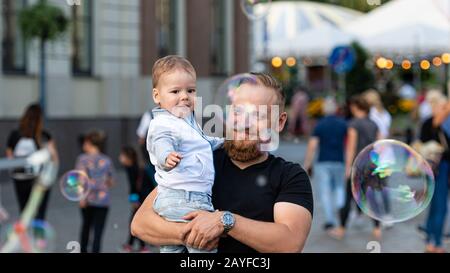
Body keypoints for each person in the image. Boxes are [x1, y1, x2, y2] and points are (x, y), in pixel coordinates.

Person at [131, 72, 313, 253]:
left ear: (279, 122)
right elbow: (140, 223)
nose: (244, 123)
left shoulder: (290, 176)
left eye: (257, 115)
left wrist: (225, 221)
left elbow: (290, 242)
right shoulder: (200, 159)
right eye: (238, 111)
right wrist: (191, 234)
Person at [146, 55, 223, 253]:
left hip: (177, 199)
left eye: (190, 90)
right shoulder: (164, 123)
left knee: (173, 250)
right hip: (186, 200)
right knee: (203, 246)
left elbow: (203, 143)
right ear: (157, 96)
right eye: (175, 91)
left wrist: (224, 143)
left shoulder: (186, 121)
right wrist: (166, 156)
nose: (184, 96)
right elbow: (161, 141)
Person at [331, 96, 382, 240]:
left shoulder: (353, 124)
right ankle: (377, 228)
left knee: (348, 197)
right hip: (371, 164)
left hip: (357, 165)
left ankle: (341, 228)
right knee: (371, 197)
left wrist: (348, 167)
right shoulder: (373, 123)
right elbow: (378, 146)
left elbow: (351, 147)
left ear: (355, 107)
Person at [6, 104, 59, 221]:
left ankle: (25, 238)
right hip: (39, 179)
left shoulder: (15, 135)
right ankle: (38, 238)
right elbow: (54, 158)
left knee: (24, 211)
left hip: (20, 178)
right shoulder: (44, 136)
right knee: (40, 213)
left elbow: (10, 157)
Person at [303, 97, 346, 234]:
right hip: (339, 160)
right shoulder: (343, 124)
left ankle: (330, 220)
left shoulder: (320, 125)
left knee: (326, 192)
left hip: (323, 161)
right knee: (340, 188)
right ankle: (342, 215)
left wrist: (308, 163)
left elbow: (313, 145)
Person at [76, 130, 116, 253]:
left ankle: (83, 250)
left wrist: (81, 198)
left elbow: (79, 180)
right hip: (103, 201)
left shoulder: (82, 159)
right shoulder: (107, 160)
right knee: (98, 232)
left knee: (86, 228)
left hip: (87, 200)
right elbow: (112, 181)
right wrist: (102, 183)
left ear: (89, 143)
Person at [420, 95, 450, 253]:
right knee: (440, 207)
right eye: (445, 107)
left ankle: (430, 240)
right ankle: (435, 243)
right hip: (441, 169)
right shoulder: (440, 124)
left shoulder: (429, 123)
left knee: (434, 207)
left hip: (431, 169)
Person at [118, 146, 154, 253]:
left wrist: (134, 200)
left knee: (135, 222)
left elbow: (133, 186)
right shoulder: (139, 167)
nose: (120, 158)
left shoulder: (131, 168)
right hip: (146, 198)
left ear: (128, 157)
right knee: (136, 222)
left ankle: (141, 246)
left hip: (141, 199)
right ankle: (136, 245)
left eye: (122, 156)